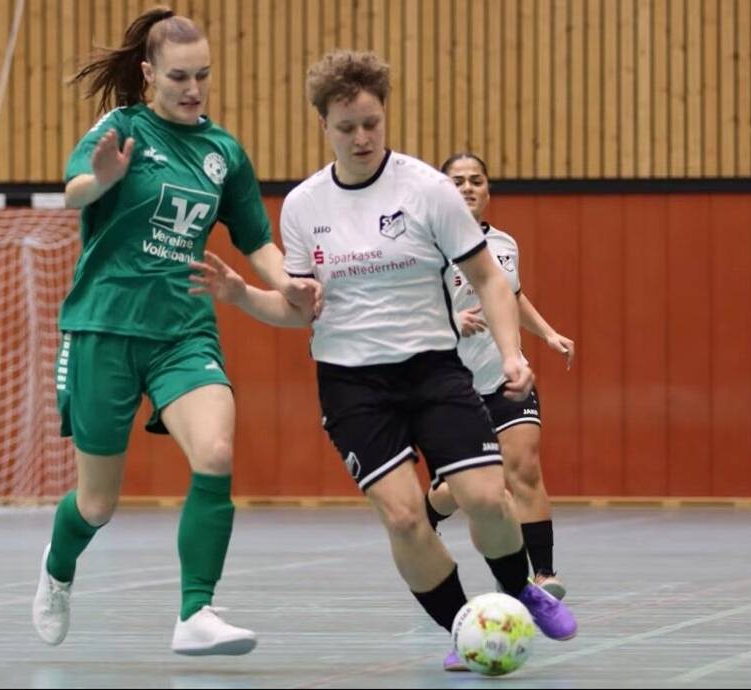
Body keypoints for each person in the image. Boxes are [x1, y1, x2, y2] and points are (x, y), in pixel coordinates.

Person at [188, 49, 577, 671]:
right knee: (403, 517)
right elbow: (297, 311)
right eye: (347, 127)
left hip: (431, 367)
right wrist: (240, 295)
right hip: (350, 384)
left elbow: (489, 278)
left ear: (383, 115)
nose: (362, 137)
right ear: (324, 126)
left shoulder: (428, 189)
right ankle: (464, 628)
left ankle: (519, 589)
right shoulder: (304, 206)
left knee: (485, 495)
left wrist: (511, 354)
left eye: (371, 122)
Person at [32, 7, 319, 656]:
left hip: (183, 332)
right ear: (149, 74)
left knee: (215, 453)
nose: (193, 89)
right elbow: (75, 191)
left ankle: (196, 611)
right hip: (103, 328)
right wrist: (102, 178)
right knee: (98, 505)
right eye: (180, 77)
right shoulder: (122, 128)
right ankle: (58, 565)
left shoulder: (223, 154)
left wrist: (289, 285)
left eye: (204, 76)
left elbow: (256, 242)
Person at [425, 153, 576, 601]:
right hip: (449, 386)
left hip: (504, 377)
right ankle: (429, 513)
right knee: (464, 493)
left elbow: (510, 295)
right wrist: (453, 320)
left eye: (476, 180)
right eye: (457, 181)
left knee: (525, 468)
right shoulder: (424, 247)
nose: (468, 188)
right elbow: (409, 312)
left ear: (488, 190)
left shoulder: (505, 245)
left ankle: (543, 574)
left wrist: (548, 334)